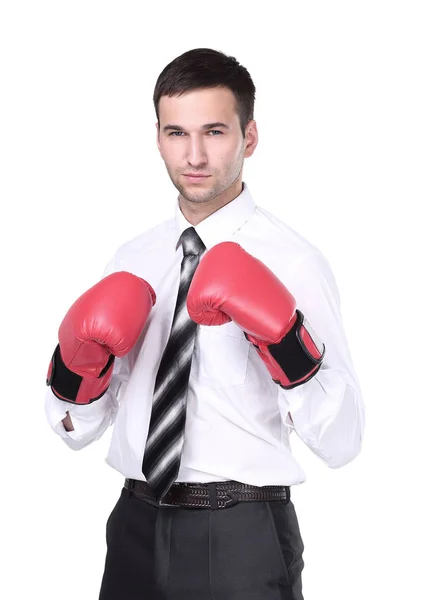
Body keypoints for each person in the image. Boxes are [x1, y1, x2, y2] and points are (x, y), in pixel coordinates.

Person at [45, 47, 365, 600]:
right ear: (158, 137)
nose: (194, 154)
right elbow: (76, 429)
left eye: (214, 132)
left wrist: (287, 343)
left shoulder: (293, 262)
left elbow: (344, 441)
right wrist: (78, 370)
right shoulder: (132, 257)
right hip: (134, 523)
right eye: (177, 133)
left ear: (250, 137)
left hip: (241, 530)